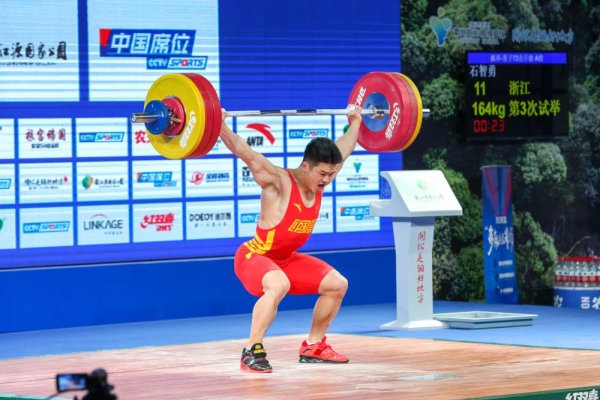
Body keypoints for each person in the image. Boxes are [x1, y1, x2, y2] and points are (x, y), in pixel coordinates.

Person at [219, 105, 362, 373]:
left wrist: (355, 121)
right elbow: (245, 152)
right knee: (279, 284)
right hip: (254, 257)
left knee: (337, 284)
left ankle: (313, 346)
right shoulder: (278, 182)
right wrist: (219, 125)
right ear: (305, 166)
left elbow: (345, 148)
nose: (327, 180)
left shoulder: (322, 176)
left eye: (332, 174)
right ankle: (251, 350)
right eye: (322, 174)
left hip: (285, 260)